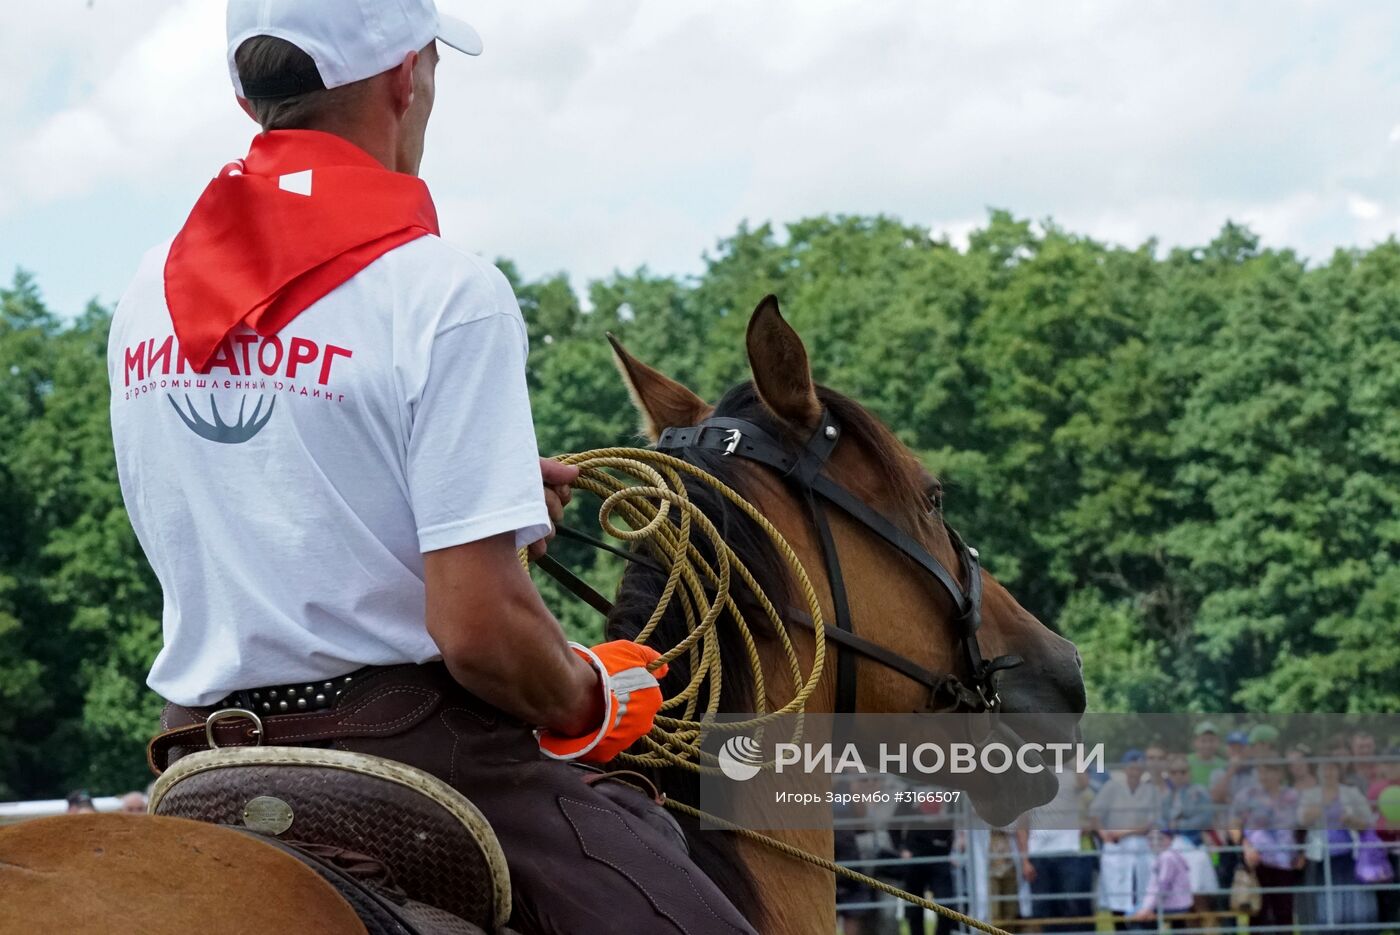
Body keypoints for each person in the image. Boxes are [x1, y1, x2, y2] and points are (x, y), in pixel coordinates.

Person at [107, 3, 756, 932]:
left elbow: (256, 511)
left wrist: (467, 496)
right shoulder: (445, 291)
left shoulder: (145, 293)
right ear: (406, 76)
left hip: (201, 751)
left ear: (248, 94)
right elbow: (480, 632)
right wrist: (590, 692)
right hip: (411, 753)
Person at [1298, 753, 1377, 935]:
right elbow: (1302, 820)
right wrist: (1320, 807)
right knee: (1325, 903)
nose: (1328, 772)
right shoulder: (1310, 794)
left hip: (1348, 857)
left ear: (1338, 771)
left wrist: (1351, 820)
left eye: (1332, 768)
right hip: (1321, 858)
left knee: (1353, 902)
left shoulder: (1351, 793)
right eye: (1324, 768)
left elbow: (1367, 821)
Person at [1018, 769, 1095, 933]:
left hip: (1068, 852)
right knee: (1043, 911)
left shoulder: (1070, 775)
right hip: (1038, 855)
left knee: (1071, 908)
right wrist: (1025, 860)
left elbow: (1084, 782)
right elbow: (1022, 824)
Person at [1090, 750, 1160, 930]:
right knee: (1117, 898)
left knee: (1143, 895)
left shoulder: (1150, 790)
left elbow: (1150, 823)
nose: (1135, 769)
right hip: (1116, 850)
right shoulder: (1112, 787)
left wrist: (1123, 833)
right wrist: (1103, 833)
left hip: (1141, 847)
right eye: (1131, 765)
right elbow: (1095, 813)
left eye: (1139, 765)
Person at [1230, 759, 1302, 931]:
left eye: (1270, 770)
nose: (1265, 775)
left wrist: (1301, 852)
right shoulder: (1246, 796)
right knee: (1258, 913)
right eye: (1261, 771)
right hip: (1257, 862)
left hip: (1285, 863)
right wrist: (1245, 847)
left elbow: (1302, 826)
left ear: (1280, 773)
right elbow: (1234, 825)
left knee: (1284, 913)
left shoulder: (1292, 796)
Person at [1128, 831, 1192, 928]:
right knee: (1137, 911)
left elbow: (1161, 885)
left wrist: (1147, 908)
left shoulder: (1167, 857)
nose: (1155, 842)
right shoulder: (1169, 855)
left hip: (1173, 904)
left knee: (1132, 915)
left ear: (1170, 840)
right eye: (1150, 839)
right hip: (1176, 902)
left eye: (1160, 839)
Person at [1187, 723, 1225, 788]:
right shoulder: (1186, 762)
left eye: (1211, 740)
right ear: (1195, 742)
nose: (1208, 745)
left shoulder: (1223, 765)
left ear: (1218, 742)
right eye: (1203, 741)